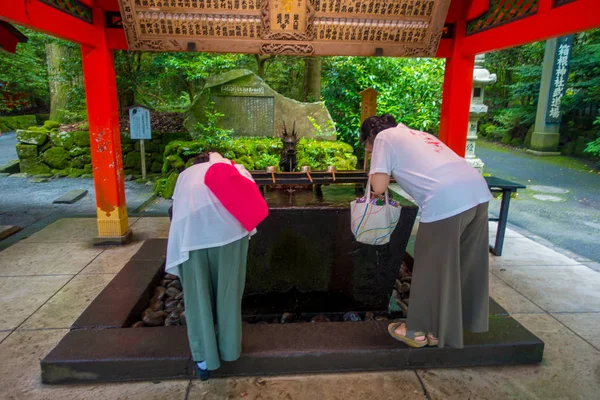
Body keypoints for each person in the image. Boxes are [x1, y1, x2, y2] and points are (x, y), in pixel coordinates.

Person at [361, 114, 493, 349]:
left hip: (447, 200)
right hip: (478, 193)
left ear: (370, 137)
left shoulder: (383, 138)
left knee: (429, 266)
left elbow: (379, 187)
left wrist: (375, 167)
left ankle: (417, 331)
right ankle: (439, 330)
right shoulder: (419, 135)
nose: (370, 152)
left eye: (367, 148)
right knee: (459, 265)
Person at [165, 151, 266, 380]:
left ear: (197, 162)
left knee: (198, 299)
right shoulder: (237, 169)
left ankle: (203, 360)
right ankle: (230, 350)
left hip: (192, 238)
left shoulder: (186, 175)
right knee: (229, 295)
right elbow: (251, 202)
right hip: (231, 236)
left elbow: (176, 208)